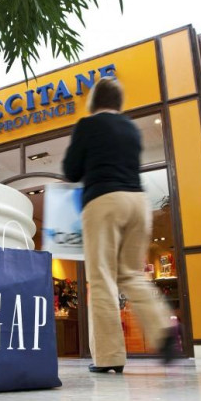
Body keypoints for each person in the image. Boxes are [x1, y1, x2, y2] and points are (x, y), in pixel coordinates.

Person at [62, 77, 176, 373]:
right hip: (138, 202)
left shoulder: (87, 125)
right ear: (118, 103)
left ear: (94, 101)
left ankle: (109, 357)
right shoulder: (131, 128)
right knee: (130, 274)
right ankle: (162, 328)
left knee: (101, 278)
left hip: (104, 201)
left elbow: (71, 170)